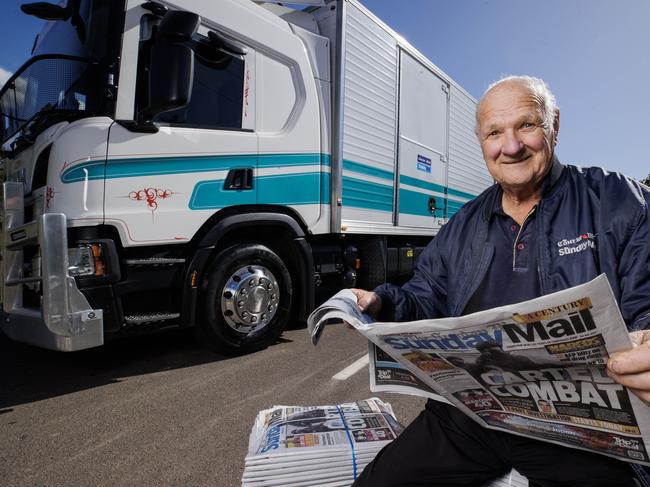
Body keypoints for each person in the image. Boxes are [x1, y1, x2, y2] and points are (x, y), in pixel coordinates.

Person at [350, 75, 650, 486]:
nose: (511, 147)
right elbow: (425, 296)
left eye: (526, 125)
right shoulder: (462, 224)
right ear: (481, 141)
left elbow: (645, 310)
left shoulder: (623, 203)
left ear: (554, 125)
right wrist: (381, 302)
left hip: (583, 433)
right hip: (473, 415)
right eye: (495, 133)